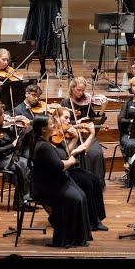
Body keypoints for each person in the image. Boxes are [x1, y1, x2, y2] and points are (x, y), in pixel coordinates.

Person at [29, 115, 93, 248]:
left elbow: (59, 159)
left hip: (56, 180)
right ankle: (66, 238)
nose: (54, 126)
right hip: (47, 186)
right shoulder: (43, 146)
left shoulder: (46, 142)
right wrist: (70, 161)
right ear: (43, 130)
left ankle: (77, 237)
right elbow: (58, 165)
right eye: (51, 124)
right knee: (75, 198)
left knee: (81, 195)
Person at [50, 106, 108, 232]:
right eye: (65, 118)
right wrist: (76, 139)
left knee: (95, 180)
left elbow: (77, 151)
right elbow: (65, 155)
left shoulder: (66, 132)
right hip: (61, 170)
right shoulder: (51, 134)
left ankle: (96, 218)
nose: (69, 121)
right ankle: (91, 221)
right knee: (86, 183)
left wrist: (83, 136)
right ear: (56, 118)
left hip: (70, 167)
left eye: (69, 118)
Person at [22, 0, 76, 75]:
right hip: (40, 16)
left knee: (55, 39)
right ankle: (42, 68)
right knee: (41, 40)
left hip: (54, 14)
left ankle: (58, 67)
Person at [60, 77, 107, 187]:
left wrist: (103, 109)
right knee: (84, 154)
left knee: (97, 153)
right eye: (79, 90)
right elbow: (63, 122)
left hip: (87, 135)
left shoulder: (87, 101)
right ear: (72, 88)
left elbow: (93, 119)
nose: (81, 93)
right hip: (73, 135)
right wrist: (77, 123)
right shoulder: (65, 102)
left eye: (83, 90)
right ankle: (83, 182)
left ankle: (97, 183)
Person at [117, 76, 135, 180]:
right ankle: (132, 172)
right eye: (134, 85)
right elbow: (120, 120)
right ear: (131, 87)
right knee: (129, 144)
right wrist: (132, 121)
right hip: (129, 133)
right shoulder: (128, 102)